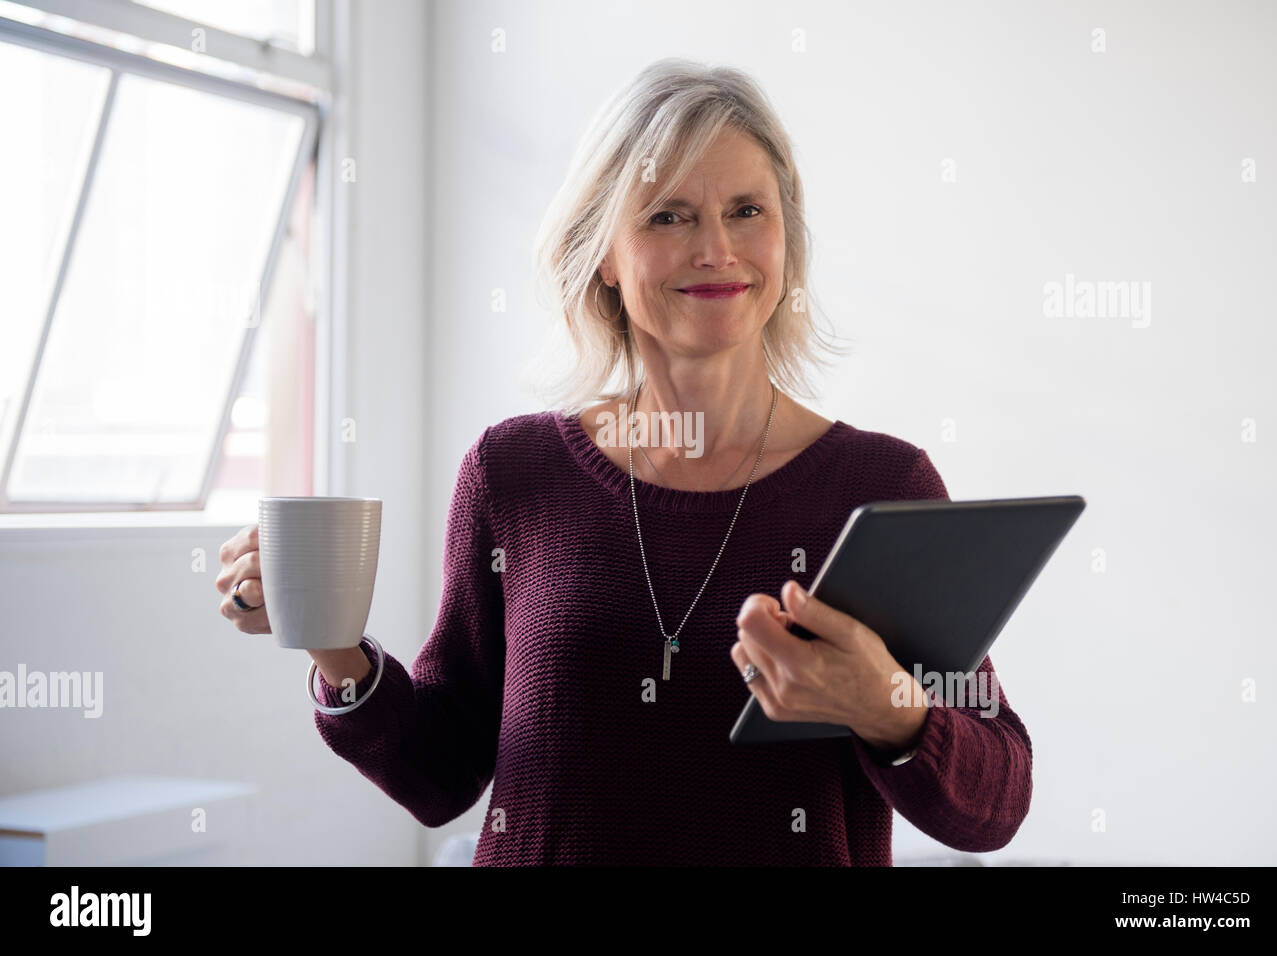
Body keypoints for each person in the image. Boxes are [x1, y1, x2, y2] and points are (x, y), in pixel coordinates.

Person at [215, 58, 1031, 866]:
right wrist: (333, 647)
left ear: (787, 236)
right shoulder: (513, 473)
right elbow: (442, 776)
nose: (716, 248)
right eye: (669, 216)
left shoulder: (884, 488)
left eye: (747, 210)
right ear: (603, 251)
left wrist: (887, 706)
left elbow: (995, 804)